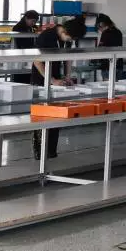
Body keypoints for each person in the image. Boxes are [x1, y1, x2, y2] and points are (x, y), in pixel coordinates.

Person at [31, 15, 87, 159]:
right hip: (41, 80)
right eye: (70, 38)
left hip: (56, 81)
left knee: (55, 116)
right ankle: (40, 152)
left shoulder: (66, 39)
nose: (70, 41)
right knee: (42, 117)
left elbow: (67, 58)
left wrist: (68, 76)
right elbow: (37, 61)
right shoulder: (46, 36)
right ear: (64, 31)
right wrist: (51, 80)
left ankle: (51, 151)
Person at [10, 10, 41, 85]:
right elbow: (22, 44)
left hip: (28, 54)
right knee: (20, 78)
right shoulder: (18, 28)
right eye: (32, 21)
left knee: (28, 76)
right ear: (26, 18)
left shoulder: (30, 26)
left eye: (35, 22)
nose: (34, 23)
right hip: (20, 55)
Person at [95, 12, 124, 79]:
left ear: (101, 24)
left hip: (108, 67)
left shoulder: (106, 33)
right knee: (118, 85)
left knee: (108, 85)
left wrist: (96, 59)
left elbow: (100, 49)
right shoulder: (118, 32)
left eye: (99, 27)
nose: (99, 30)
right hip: (119, 66)